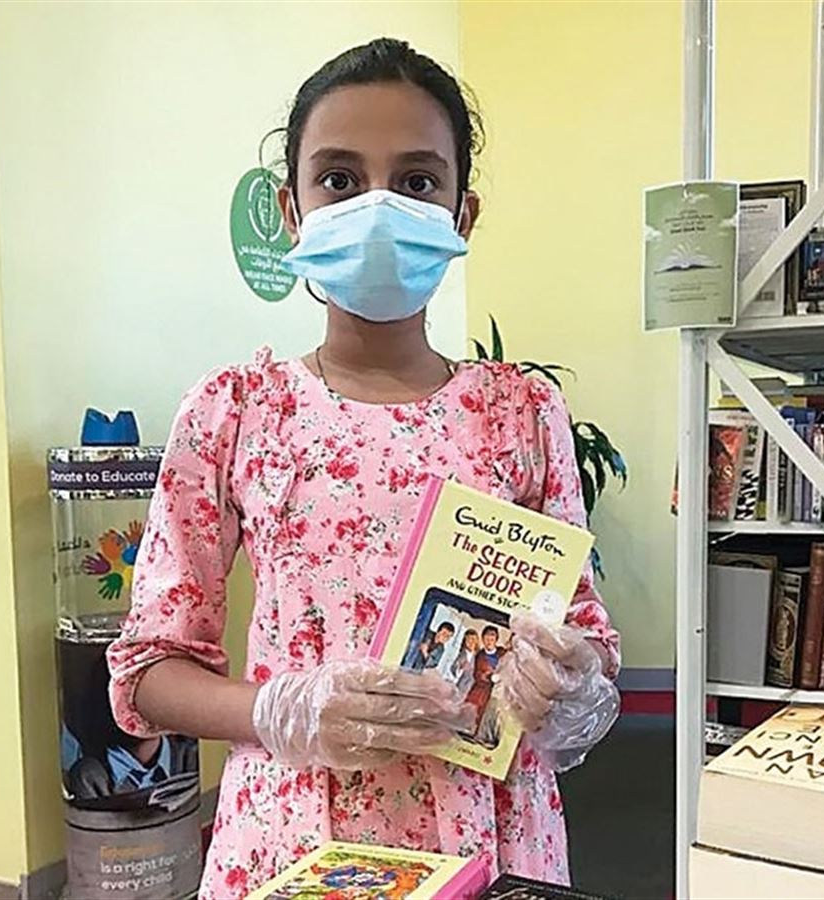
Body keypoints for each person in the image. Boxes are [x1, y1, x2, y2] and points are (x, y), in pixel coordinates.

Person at [105, 37, 621, 897]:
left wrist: (570, 685)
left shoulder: (521, 413)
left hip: (490, 833)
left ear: (462, 215)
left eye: (417, 181)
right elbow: (149, 674)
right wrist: (282, 708)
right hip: (295, 836)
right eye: (340, 178)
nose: (378, 206)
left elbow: (584, 633)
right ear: (292, 209)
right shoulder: (237, 411)